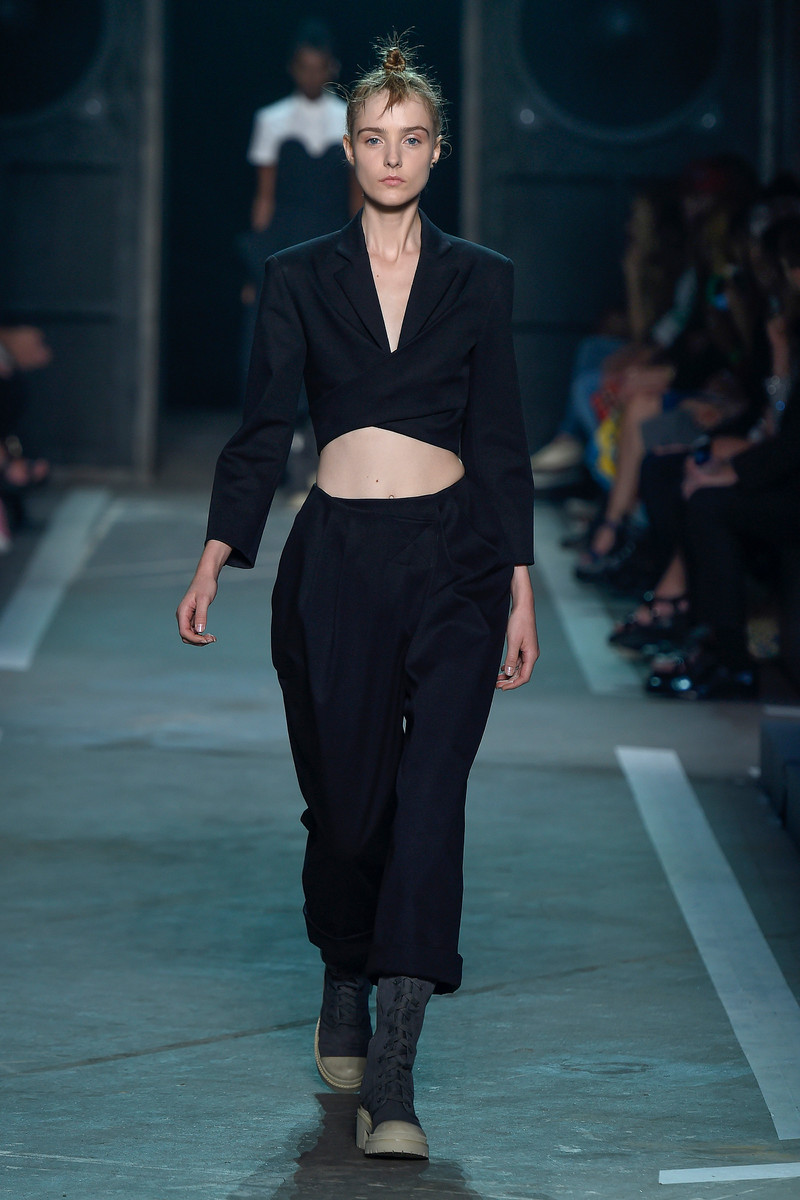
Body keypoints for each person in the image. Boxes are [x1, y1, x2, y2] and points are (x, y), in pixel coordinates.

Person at [177, 37, 538, 1161]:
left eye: (410, 138)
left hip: (455, 560)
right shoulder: (297, 275)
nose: (392, 156)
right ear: (347, 150)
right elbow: (264, 424)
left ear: (435, 151)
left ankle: (395, 1073)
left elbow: (501, 436)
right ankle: (343, 960)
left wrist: (519, 584)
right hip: (334, 559)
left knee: (429, 803)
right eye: (373, 138)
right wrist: (218, 549)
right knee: (347, 811)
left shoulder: (480, 277)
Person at [238, 21, 360, 498]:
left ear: (331, 68)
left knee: (328, 343)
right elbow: (264, 197)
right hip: (284, 243)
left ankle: (319, 454)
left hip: (331, 241)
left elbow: (356, 196)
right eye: (304, 67)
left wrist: (362, 255)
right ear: (293, 68)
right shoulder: (271, 119)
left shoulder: (349, 118)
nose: (312, 75)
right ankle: (279, 458)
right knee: (276, 343)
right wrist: (255, 263)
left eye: (319, 67)